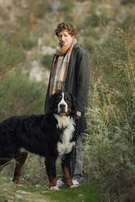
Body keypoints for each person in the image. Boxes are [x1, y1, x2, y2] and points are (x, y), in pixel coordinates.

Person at [44, 21, 90, 187]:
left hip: (72, 107)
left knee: (75, 142)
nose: (63, 39)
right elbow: (52, 83)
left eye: (66, 36)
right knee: (62, 142)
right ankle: (65, 178)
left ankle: (77, 177)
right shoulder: (58, 54)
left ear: (72, 36)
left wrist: (78, 110)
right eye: (60, 36)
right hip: (58, 106)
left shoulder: (79, 54)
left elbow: (83, 85)